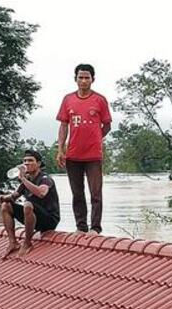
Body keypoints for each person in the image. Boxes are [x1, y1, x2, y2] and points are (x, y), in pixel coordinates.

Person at [55, 63, 112, 234]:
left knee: (95, 193)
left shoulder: (99, 100)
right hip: (73, 155)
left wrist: (95, 137)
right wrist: (60, 150)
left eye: (87, 77)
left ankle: (95, 228)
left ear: (93, 80)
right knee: (77, 193)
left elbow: (107, 125)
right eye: (81, 77)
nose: (84, 81)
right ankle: (81, 226)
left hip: (93, 155)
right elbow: (63, 125)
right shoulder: (68, 100)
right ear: (75, 79)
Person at [0, 150, 60, 257]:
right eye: (25, 161)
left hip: (49, 219)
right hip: (32, 216)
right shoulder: (27, 180)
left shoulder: (45, 179)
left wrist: (22, 178)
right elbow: (14, 196)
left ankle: (27, 243)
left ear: (38, 164)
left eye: (30, 161)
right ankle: (13, 242)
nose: (27, 163)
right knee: (6, 206)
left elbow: (41, 193)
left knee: (27, 204)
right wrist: (3, 197)